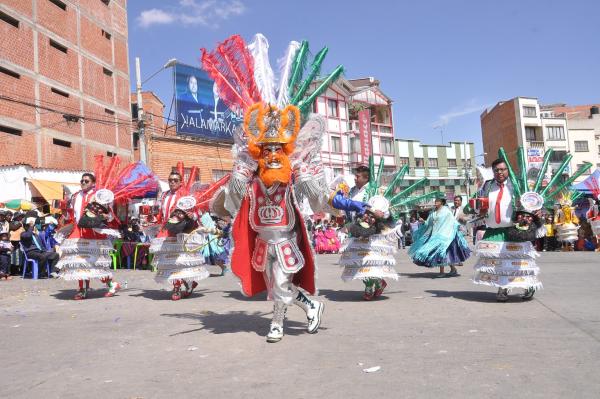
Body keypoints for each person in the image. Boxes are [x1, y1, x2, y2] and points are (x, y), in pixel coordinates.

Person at [409, 198, 471, 278]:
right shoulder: (433, 212)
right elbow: (429, 222)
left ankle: (442, 272)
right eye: (435, 201)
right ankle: (453, 269)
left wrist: (458, 226)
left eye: (437, 201)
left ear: (442, 202)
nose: (436, 202)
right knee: (444, 254)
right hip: (435, 234)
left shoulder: (446, 211)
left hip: (446, 234)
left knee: (441, 252)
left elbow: (452, 220)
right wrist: (424, 221)